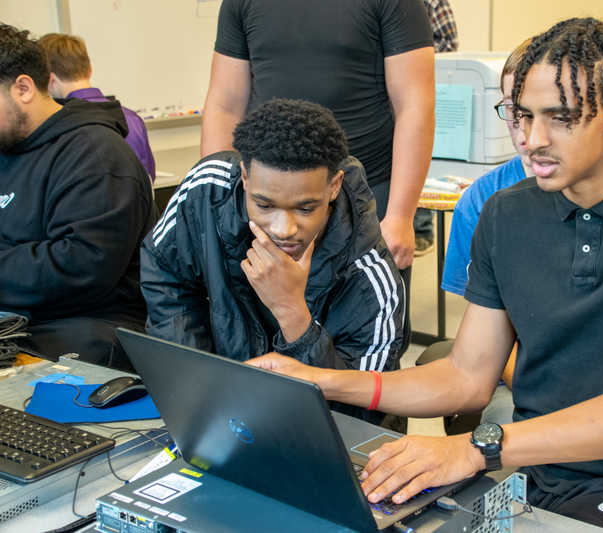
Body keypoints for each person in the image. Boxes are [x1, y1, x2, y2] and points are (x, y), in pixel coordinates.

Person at [247, 18, 603, 532]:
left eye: (560, 117)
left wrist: (476, 448)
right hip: (534, 478)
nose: (532, 139)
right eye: (521, 115)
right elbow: (467, 376)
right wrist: (321, 379)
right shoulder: (504, 215)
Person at [140, 98, 404, 425]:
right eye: (264, 206)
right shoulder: (205, 192)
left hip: (321, 437)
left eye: (306, 209)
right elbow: (166, 275)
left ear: (334, 186)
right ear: (245, 178)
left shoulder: (370, 279)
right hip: (223, 416)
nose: (284, 230)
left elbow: (362, 412)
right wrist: (199, 383)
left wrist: (292, 312)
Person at [201, 0, 435, 276]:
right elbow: (224, 107)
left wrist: (400, 216)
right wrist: (215, 206)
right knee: (265, 311)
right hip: (272, 196)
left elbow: (415, 105)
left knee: (365, 313)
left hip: (366, 193)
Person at [0, 24, 157, 371]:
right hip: (21, 317)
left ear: (23, 88)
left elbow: (80, 266)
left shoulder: (96, 156)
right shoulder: (8, 145)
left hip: (86, 327)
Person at [439, 38, 534, 428]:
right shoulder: (481, 201)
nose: (526, 130)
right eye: (513, 110)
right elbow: (485, 335)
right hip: (515, 374)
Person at [37, 33, 156, 182]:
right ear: (90, 70)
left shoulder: (59, 125)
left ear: (49, 79)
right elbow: (149, 179)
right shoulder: (132, 118)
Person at [413, 0, 459, 256]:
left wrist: (411, 57)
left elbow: (449, 43)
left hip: (420, 82)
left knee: (419, 152)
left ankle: (422, 231)